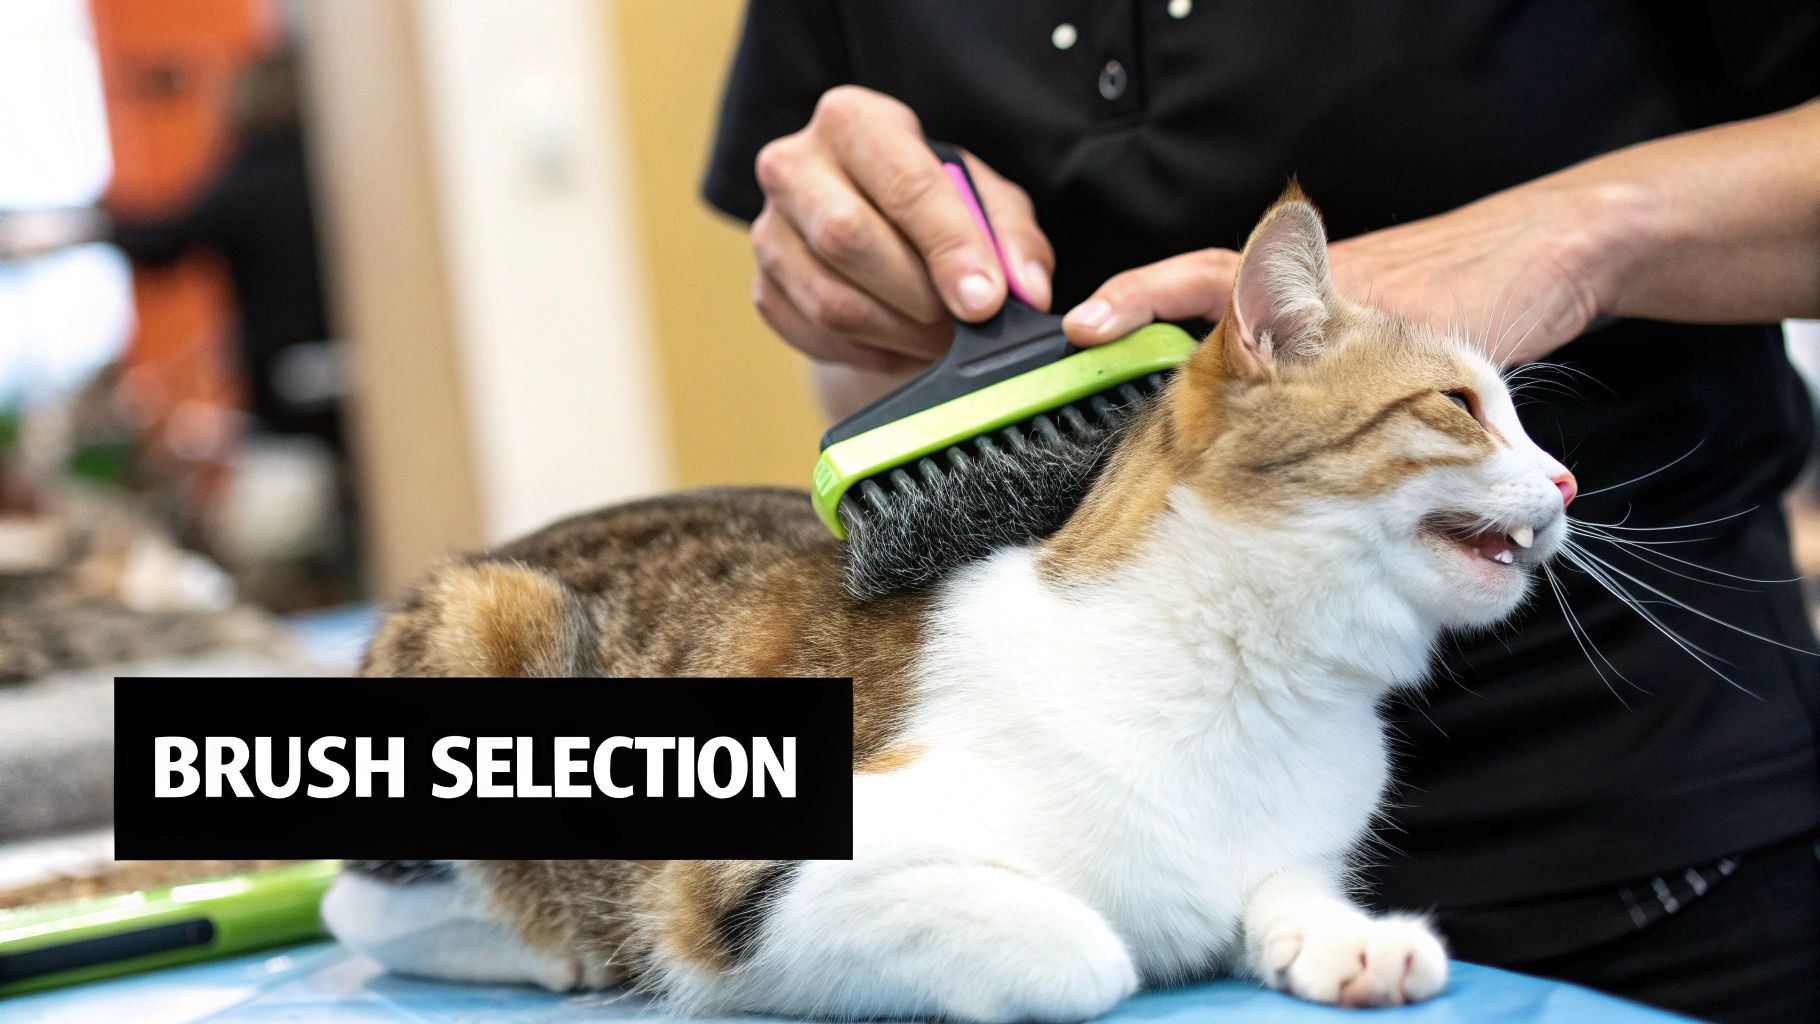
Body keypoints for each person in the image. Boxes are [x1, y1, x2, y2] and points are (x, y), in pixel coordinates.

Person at [701, 4, 1820, 1022]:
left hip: (1641, 820)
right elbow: (889, 453)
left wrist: (1578, 233)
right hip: (1090, 808)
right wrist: (864, 296)